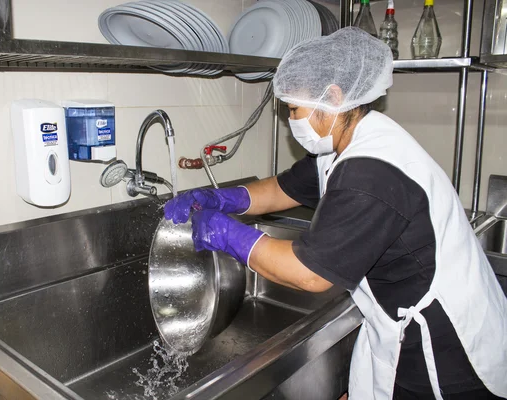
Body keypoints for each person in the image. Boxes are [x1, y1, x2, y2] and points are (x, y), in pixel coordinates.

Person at [163, 28, 507, 400]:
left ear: (334, 96)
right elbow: (280, 189)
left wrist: (226, 233)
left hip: (444, 350)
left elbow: (309, 276)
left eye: (294, 108)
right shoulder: (349, 143)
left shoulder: (370, 172)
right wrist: (220, 199)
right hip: (405, 327)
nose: (290, 119)